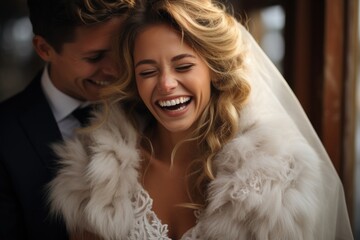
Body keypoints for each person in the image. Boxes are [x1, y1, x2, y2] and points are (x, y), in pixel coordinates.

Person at [48, 0, 354, 239]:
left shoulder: (278, 185)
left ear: (214, 71)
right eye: (148, 72)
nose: (166, 84)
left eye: (183, 66)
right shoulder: (97, 175)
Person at [0, 0, 134, 239]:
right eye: (95, 57)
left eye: (122, 47)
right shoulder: (5, 134)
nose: (116, 69)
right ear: (44, 49)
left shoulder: (152, 106)